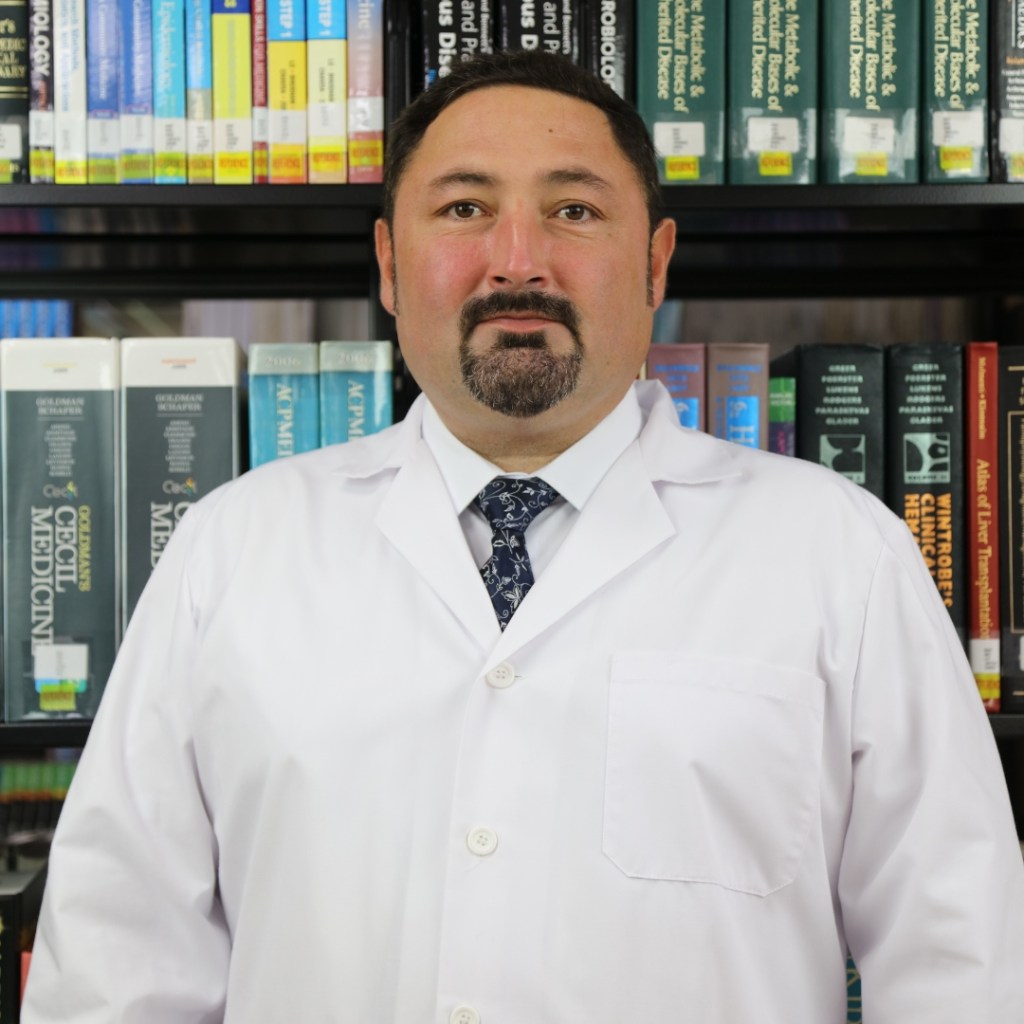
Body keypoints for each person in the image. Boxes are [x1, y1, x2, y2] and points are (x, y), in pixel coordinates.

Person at [23, 49, 1024, 1024]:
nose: (517, 260)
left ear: (653, 264)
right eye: (463, 208)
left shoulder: (837, 554)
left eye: (573, 210)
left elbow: (962, 961)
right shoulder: (231, 551)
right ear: (386, 263)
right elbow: (117, 964)